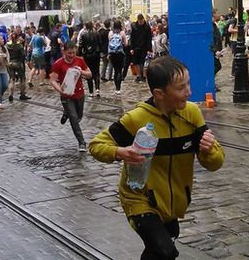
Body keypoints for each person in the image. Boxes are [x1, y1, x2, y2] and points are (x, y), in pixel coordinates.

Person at [89, 55, 225, 259]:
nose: (188, 91)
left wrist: (209, 150)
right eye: (180, 88)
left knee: (159, 252)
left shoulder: (192, 114)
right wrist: (119, 152)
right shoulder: (136, 119)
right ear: (159, 94)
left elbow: (215, 163)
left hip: (173, 203)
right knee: (164, 250)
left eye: (188, 84)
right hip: (139, 199)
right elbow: (96, 145)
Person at [50, 41, 92, 151]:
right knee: (73, 118)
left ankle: (66, 113)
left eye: (73, 52)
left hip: (79, 94)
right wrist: (61, 90)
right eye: (69, 53)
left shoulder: (80, 60)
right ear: (64, 51)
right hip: (66, 96)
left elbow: (89, 74)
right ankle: (81, 142)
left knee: (78, 116)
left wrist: (81, 71)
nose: (71, 55)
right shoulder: (58, 64)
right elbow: (53, 80)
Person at [6, 30, 31, 101]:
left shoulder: (7, 45)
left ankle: (10, 94)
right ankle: (22, 94)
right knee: (22, 79)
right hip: (18, 63)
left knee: (12, 79)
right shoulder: (19, 46)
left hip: (10, 63)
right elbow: (23, 55)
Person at [130, 14, 153, 82]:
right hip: (136, 47)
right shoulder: (134, 26)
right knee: (136, 62)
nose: (140, 23)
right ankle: (138, 75)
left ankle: (143, 75)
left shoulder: (147, 27)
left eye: (141, 21)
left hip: (144, 47)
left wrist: (149, 49)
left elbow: (149, 38)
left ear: (143, 19)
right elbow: (132, 38)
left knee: (142, 62)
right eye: (139, 22)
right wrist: (131, 48)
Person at [108, 20, 128, 95]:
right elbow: (125, 44)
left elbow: (109, 43)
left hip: (112, 54)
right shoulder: (122, 33)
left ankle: (116, 88)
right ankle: (118, 89)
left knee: (115, 70)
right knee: (119, 70)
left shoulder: (110, 33)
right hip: (120, 53)